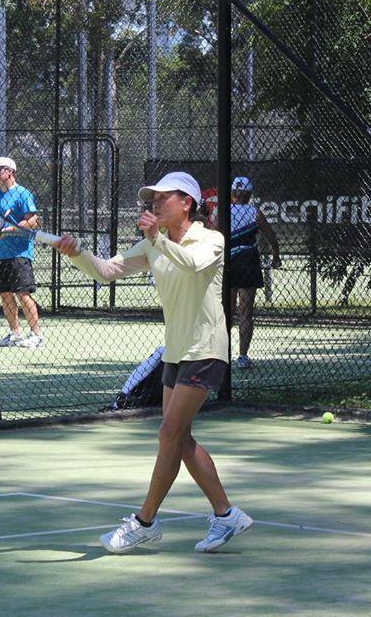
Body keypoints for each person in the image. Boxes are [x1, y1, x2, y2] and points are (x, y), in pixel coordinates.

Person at [51, 171, 253, 554]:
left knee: (167, 435)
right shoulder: (153, 244)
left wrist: (156, 238)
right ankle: (226, 515)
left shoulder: (211, 239)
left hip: (206, 349)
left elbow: (193, 264)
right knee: (180, 439)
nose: (154, 203)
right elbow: (108, 270)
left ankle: (144, 522)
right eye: (152, 199)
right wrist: (77, 253)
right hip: (175, 352)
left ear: (187, 203)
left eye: (163, 198)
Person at [217, 176, 281, 369]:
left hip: (227, 265)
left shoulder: (222, 211)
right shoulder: (255, 213)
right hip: (249, 264)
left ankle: (222, 356)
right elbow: (271, 236)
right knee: (246, 313)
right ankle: (243, 356)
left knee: (225, 314)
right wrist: (275, 256)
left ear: (232, 193)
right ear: (249, 194)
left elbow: (211, 233)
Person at [0, 156, 43, 348]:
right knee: (5, 294)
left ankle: (36, 335)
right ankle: (15, 334)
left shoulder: (22, 194)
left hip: (19, 253)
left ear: (10, 172)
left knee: (22, 294)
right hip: (0, 254)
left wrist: (8, 231)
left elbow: (33, 221)